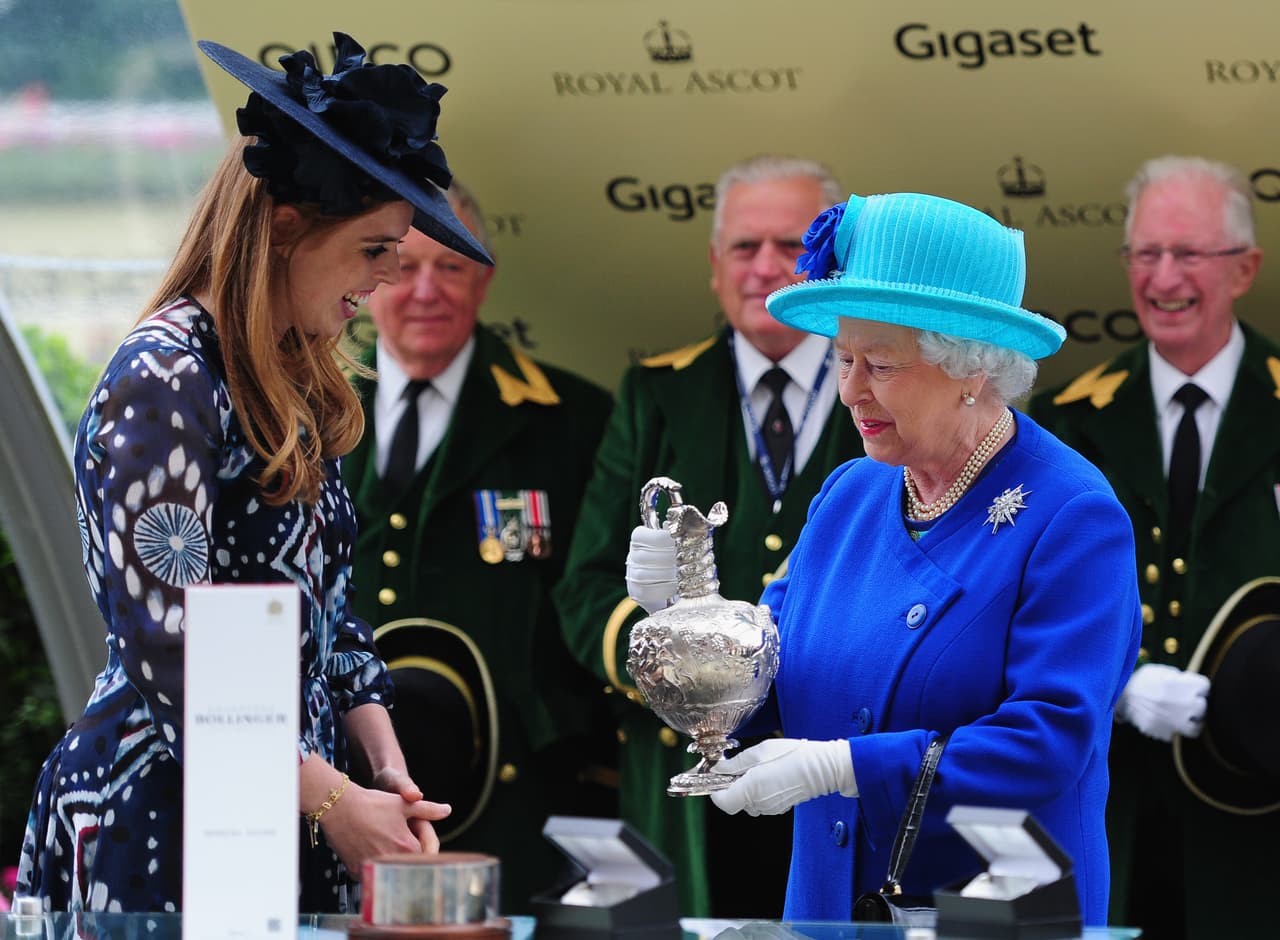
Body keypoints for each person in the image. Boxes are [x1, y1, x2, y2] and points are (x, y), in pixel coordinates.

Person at [13, 33, 489, 913]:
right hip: (160, 818)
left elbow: (329, 613)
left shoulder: (292, 377)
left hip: (292, 806)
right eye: (375, 248)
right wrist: (338, 799)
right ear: (285, 228)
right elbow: (171, 644)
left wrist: (386, 770)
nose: (387, 280)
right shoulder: (164, 375)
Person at [628, 190, 1142, 924]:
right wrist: (682, 621)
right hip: (830, 910)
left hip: (991, 917)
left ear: (971, 368)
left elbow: (1048, 740)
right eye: (841, 357)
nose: (849, 390)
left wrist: (844, 767)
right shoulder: (850, 494)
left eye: (881, 364)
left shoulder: (1071, 515)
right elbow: (767, 677)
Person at [553, 154, 865, 917]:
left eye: (789, 246)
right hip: (688, 781)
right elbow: (585, 588)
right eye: (743, 248)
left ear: (829, 264)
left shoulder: (887, 387)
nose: (765, 268)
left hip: (836, 763)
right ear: (714, 266)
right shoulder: (657, 394)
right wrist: (682, 676)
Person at [341, 179, 615, 914]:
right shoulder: (309, 409)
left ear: (486, 275)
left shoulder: (573, 421)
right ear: (370, 277)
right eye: (404, 265)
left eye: (452, 266)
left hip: (518, 811)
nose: (425, 290)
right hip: (347, 800)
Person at [1029, 155, 1280, 939]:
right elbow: (1025, 607)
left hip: (1261, 805)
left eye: (1188, 254)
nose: (1163, 277)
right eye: (1145, 254)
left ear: (1244, 269)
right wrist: (1120, 685)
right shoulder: (1071, 421)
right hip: (1112, 804)